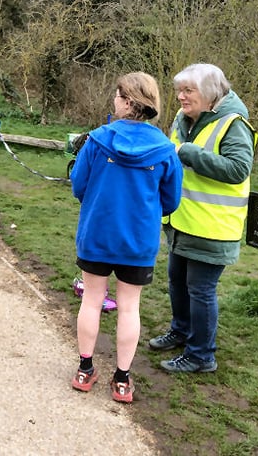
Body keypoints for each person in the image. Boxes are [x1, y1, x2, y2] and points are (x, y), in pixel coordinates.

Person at [70, 72, 182, 403]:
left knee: (92, 300)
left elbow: (78, 185)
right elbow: (171, 201)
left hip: (97, 234)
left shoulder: (96, 140)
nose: (114, 100)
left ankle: (85, 369)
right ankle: (122, 379)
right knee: (129, 307)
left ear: (128, 101)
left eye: (117, 95)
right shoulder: (166, 150)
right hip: (138, 240)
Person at [149, 63, 257, 374]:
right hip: (181, 221)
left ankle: (201, 355)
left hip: (212, 227)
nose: (180, 96)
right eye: (179, 90)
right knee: (177, 282)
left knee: (201, 290)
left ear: (209, 94)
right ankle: (181, 331)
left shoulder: (233, 124)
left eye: (188, 90)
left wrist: (187, 152)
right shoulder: (183, 118)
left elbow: (238, 169)